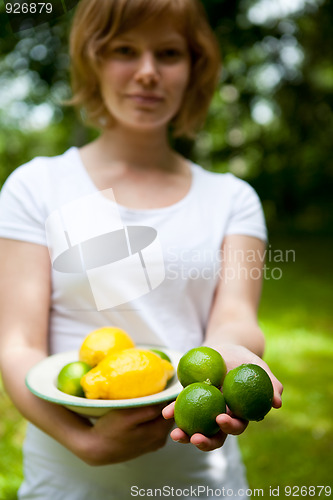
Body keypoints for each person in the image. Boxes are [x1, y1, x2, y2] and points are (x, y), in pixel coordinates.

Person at [0, 0, 283, 498]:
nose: (147, 72)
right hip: (65, 482)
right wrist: (80, 441)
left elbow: (236, 315)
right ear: (92, 60)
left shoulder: (232, 199)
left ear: (195, 66)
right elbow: (18, 346)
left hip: (202, 483)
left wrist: (233, 353)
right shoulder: (35, 187)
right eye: (124, 50)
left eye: (169, 53)